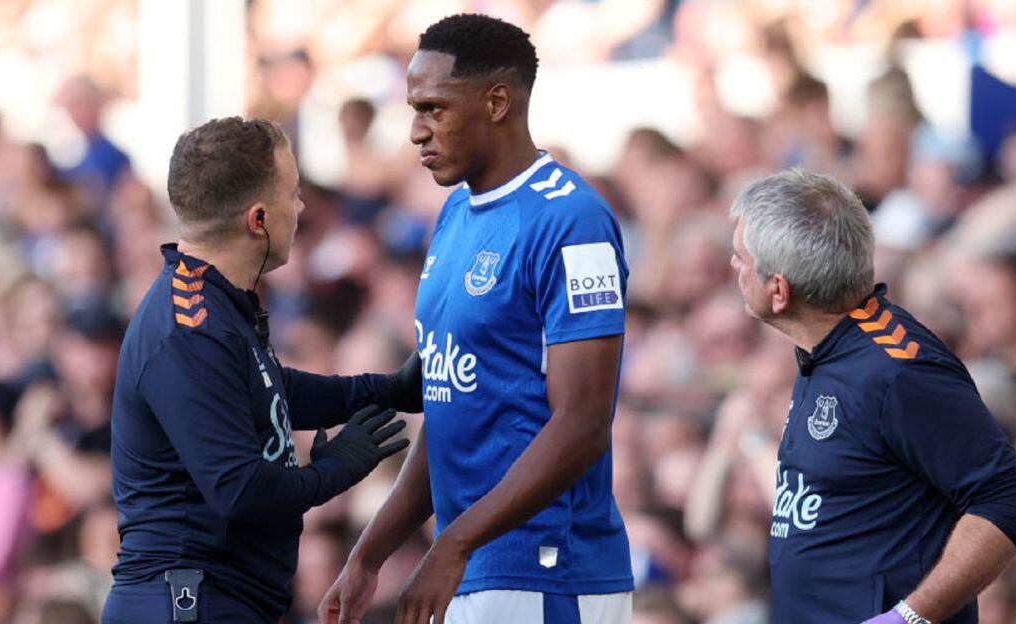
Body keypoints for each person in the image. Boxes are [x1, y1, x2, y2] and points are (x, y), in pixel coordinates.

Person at [320, 14, 634, 624]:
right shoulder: (455, 214)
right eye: (413, 109)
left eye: (434, 108)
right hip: (472, 565)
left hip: (548, 570)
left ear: (496, 102)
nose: (415, 131)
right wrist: (369, 555)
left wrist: (454, 543)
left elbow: (584, 424)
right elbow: (453, 404)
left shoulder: (573, 223)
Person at [103, 117, 420, 623]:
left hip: (217, 598)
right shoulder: (190, 327)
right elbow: (240, 491)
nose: (301, 207)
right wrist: (335, 469)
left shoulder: (217, 302)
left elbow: (273, 390)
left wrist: (386, 389)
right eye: (292, 194)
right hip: (189, 601)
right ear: (257, 219)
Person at [727, 168, 1016, 624]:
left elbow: (1008, 499)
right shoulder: (826, 347)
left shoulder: (898, 370)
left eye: (740, 257)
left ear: (779, 290)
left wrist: (909, 617)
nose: (734, 267)